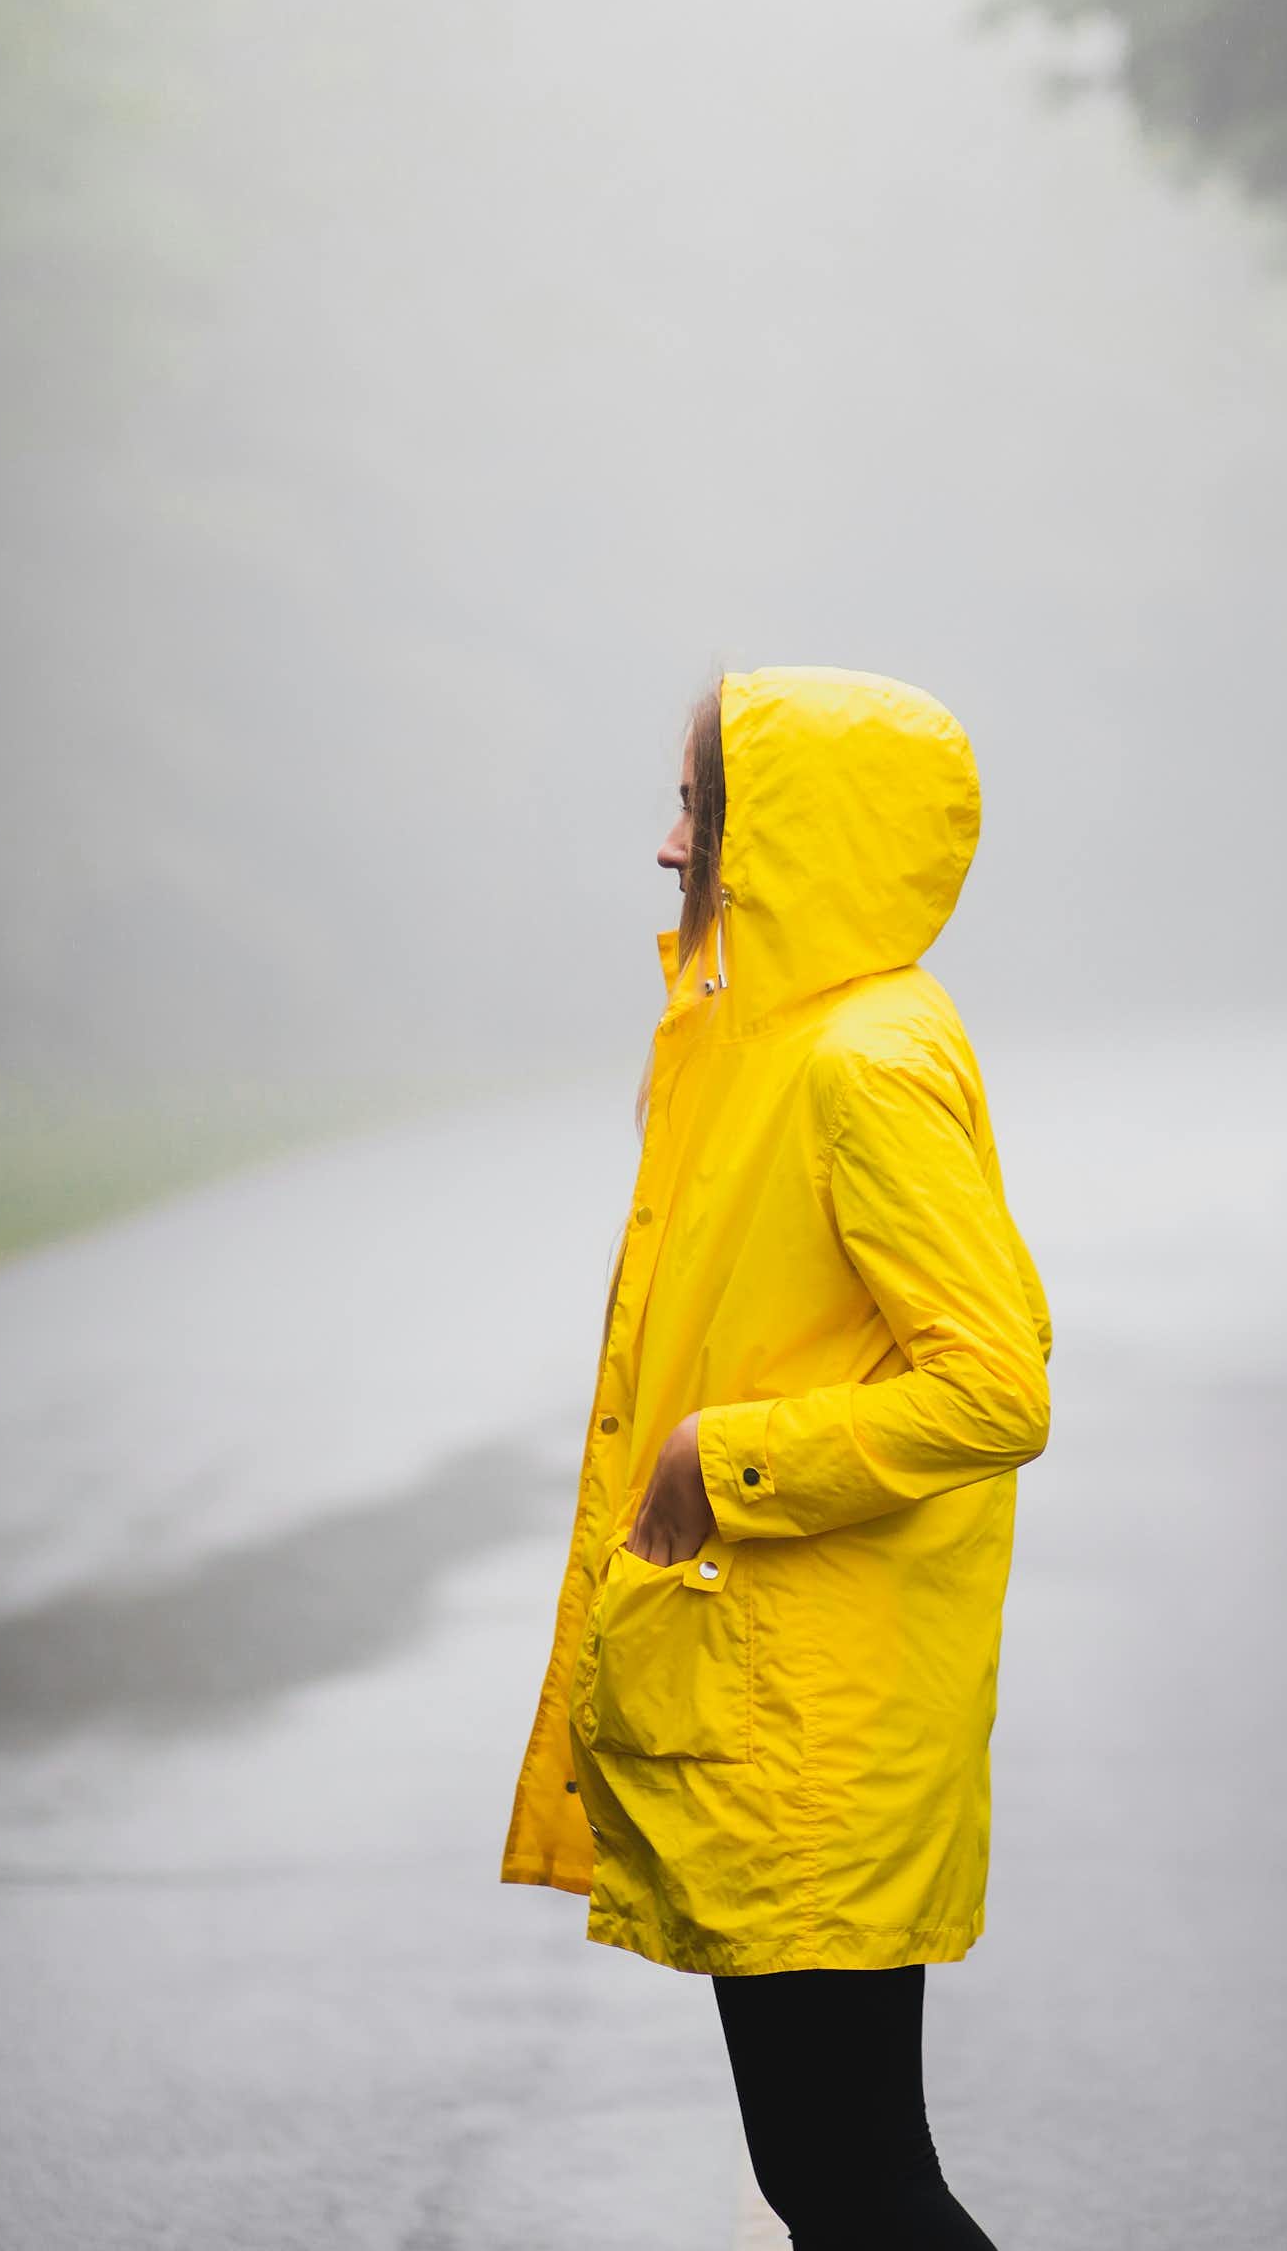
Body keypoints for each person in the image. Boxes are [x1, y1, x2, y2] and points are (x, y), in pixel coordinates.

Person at [501, 666, 1053, 2249]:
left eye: (702, 810)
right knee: (833, 2180)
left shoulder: (856, 1064)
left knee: (853, 2183)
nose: (669, 848)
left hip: (820, 1721)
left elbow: (994, 1389)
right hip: (778, 1696)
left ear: (796, 836)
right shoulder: (754, 1040)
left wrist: (724, 1460)